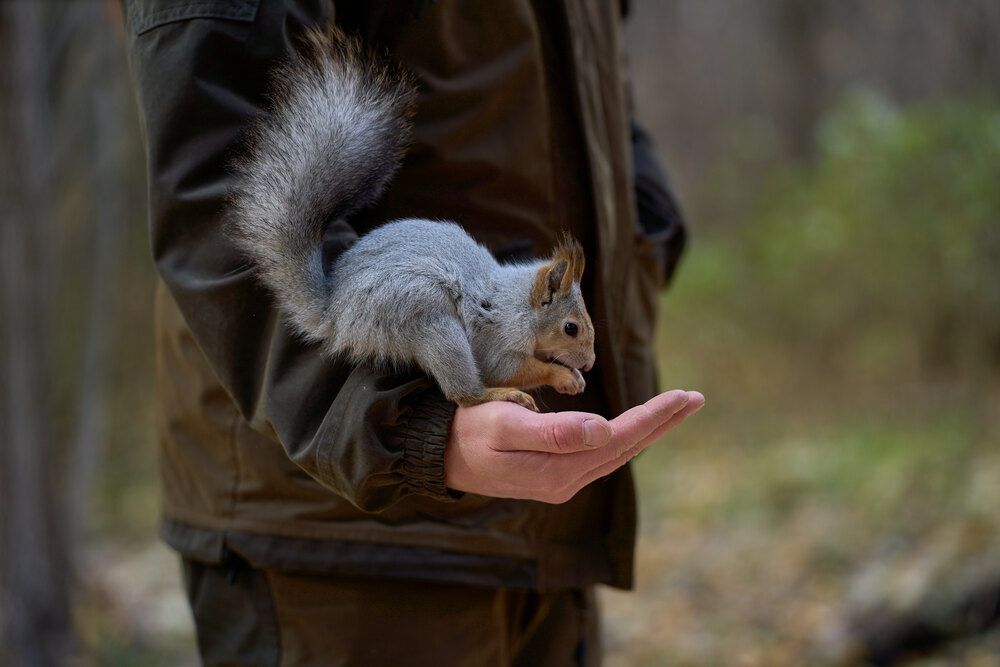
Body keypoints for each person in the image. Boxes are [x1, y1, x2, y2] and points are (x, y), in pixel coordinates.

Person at [123, 1, 701, 664]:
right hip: (339, 544)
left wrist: (647, 228)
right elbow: (216, 161)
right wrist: (411, 422)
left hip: (546, 529)